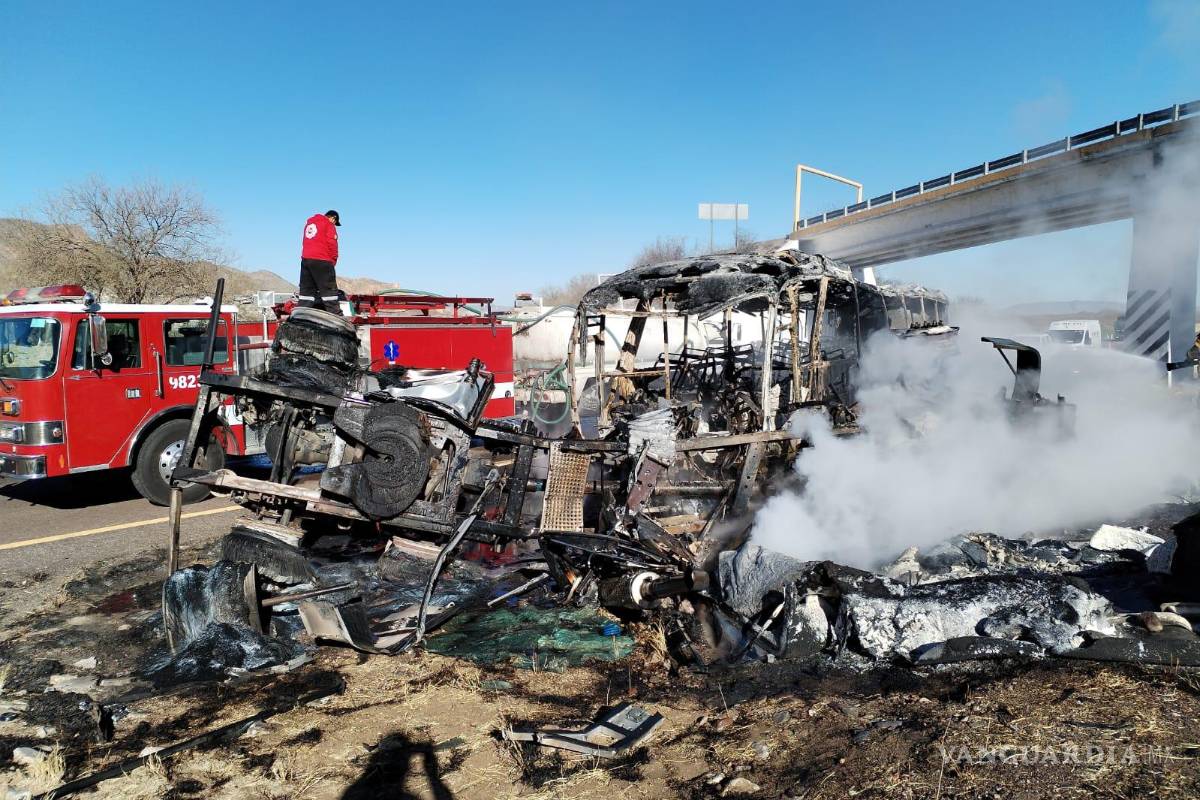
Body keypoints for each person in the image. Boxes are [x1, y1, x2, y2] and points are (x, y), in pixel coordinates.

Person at [298, 209, 342, 314]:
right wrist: (333, 260)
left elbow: (305, 241)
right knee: (329, 291)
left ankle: (302, 314)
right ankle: (336, 315)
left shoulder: (309, 223)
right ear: (333, 218)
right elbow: (332, 243)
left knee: (306, 291)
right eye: (335, 222)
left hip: (306, 260)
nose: (334, 224)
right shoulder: (328, 224)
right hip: (322, 260)